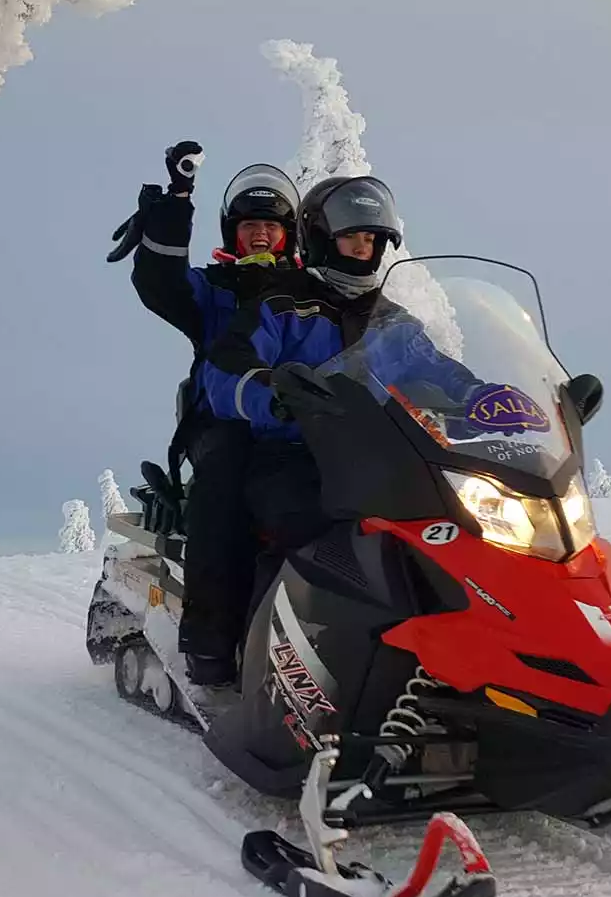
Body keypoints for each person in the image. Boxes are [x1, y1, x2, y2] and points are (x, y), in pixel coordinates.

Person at [201, 175, 483, 551]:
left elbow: (440, 371)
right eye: (351, 237)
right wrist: (275, 393)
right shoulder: (282, 305)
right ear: (320, 238)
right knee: (318, 532)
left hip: (385, 462)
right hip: (294, 458)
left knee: (464, 531)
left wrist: (487, 397)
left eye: (370, 239)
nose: (362, 248)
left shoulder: (391, 323)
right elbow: (227, 367)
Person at [111, 143, 302, 688]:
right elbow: (161, 282)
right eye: (248, 227)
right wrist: (176, 202)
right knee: (225, 493)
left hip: (304, 422)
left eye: (270, 226)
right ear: (231, 233)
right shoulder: (215, 289)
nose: (260, 234)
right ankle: (210, 646)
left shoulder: (311, 289)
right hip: (224, 421)